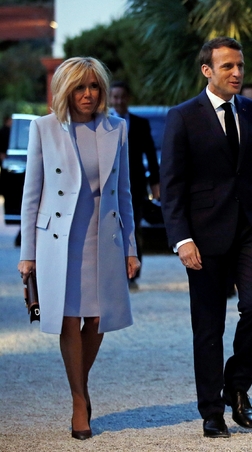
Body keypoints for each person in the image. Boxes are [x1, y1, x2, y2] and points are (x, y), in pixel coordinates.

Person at [160, 37, 252, 438]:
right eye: (227, 66)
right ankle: (211, 410)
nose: (236, 73)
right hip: (204, 235)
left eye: (240, 66)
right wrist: (182, 239)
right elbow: (172, 185)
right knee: (208, 326)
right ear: (207, 70)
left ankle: (237, 385)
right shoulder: (182, 116)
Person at [17, 57, 140, 440]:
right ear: (66, 89)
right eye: (80, 87)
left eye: (95, 87)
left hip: (104, 237)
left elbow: (124, 192)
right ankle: (78, 401)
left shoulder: (117, 127)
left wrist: (131, 248)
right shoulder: (44, 128)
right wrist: (28, 253)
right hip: (60, 239)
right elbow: (31, 194)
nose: (88, 95)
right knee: (69, 318)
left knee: (99, 319)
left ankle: (80, 387)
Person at [109, 81, 160, 290]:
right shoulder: (103, 123)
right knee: (109, 230)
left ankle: (132, 275)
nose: (119, 100)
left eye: (122, 96)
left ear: (128, 98)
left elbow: (150, 154)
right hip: (108, 186)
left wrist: (155, 183)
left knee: (132, 229)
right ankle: (112, 275)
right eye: (115, 97)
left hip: (135, 186)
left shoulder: (140, 123)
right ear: (110, 99)